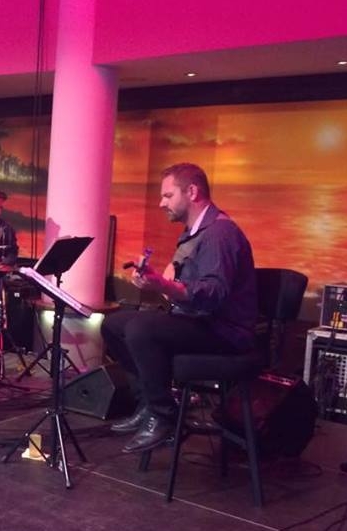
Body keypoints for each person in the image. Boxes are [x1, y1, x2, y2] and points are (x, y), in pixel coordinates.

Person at [101, 163, 258, 453]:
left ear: (192, 192)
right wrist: (160, 281)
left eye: (168, 195)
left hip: (224, 331)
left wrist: (163, 285)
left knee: (140, 328)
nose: (162, 203)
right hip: (200, 321)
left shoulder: (219, 234)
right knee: (112, 325)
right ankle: (148, 403)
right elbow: (189, 287)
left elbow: (213, 295)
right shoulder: (195, 232)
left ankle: (164, 416)